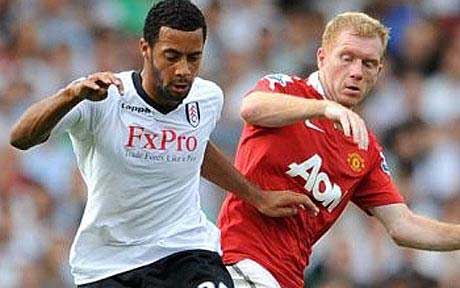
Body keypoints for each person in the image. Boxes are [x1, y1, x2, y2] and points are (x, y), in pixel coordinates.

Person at [9, 1, 316, 287]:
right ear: (146, 49)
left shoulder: (207, 98)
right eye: (172, 56)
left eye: (193, 58)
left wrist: (256, 196)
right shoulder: (102, 96)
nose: (184, 70)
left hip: (185, 250)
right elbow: (21, 137)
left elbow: (195, 147)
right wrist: (70, 96)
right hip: (108, 263)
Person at [218, 11, 460, 288]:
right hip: (239, 261)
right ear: (322, 57)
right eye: (347, 58)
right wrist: (324, 107)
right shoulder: (287, 90)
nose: (357, 71)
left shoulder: (363, 147)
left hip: (288, 278)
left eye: (369, 63)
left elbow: (403, 225)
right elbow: (251, 108)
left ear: (378, 71)